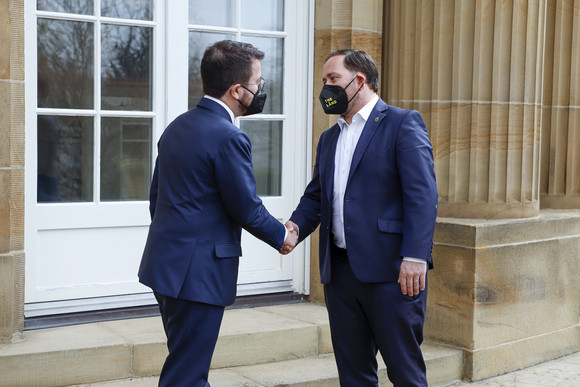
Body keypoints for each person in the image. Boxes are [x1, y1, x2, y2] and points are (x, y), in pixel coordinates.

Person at [138, 40, 298, 387]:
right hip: (198, 276)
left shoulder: (177, 127)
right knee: (187, 375)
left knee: (186, 361)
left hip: (165, 267)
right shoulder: (228, 137)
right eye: (258, 83)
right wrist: (283, 236)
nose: (261, 90)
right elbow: (246, 207)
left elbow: (157, 200)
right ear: (237, 90)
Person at [285, 49, 438, 386]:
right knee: (353, 373)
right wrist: (294, 227)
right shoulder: (329, 138)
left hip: (392, 273)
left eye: (332, 79)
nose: (325, 87)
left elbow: (422, 196)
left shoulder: (401, 123)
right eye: (324, 80)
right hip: (339, 274)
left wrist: (415, 256)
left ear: (359, 81)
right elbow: (316, 196)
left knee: (404, 370)